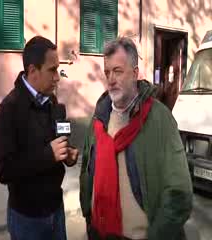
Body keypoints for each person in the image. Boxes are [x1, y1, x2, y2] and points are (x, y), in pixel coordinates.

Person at [79, 37, 193, 240]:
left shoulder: (159, 119)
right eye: (107, 72)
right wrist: (89, 218)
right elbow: (86, 173)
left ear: (134, 73)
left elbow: (179, 193)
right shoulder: (98, 119)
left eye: (118, 71)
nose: (111, 79)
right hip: (100, 232)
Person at [0, 36, 79, 240]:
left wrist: (68, 153)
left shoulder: (52, 101)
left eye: (58, 69)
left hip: (56, 209)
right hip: (27, 219)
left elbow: (58, 140)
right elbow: (5, 171)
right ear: (32, 71)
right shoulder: (9, 109)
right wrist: (48, 155)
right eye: (52, 70)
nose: (57, 77)